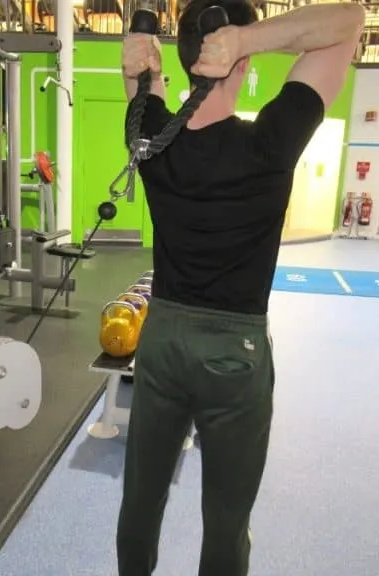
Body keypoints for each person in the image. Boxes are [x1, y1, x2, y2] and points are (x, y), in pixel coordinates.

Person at [115, 1, 365, 575]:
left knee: (139, 501)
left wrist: (140, 70)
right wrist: (250, 38)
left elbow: (139, 83)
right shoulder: (270, 144)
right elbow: (349, 21)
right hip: (235, 352)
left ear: (181, 67)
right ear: (244, 65)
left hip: (163, 340)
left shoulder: (151, 137)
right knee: (226, 519)